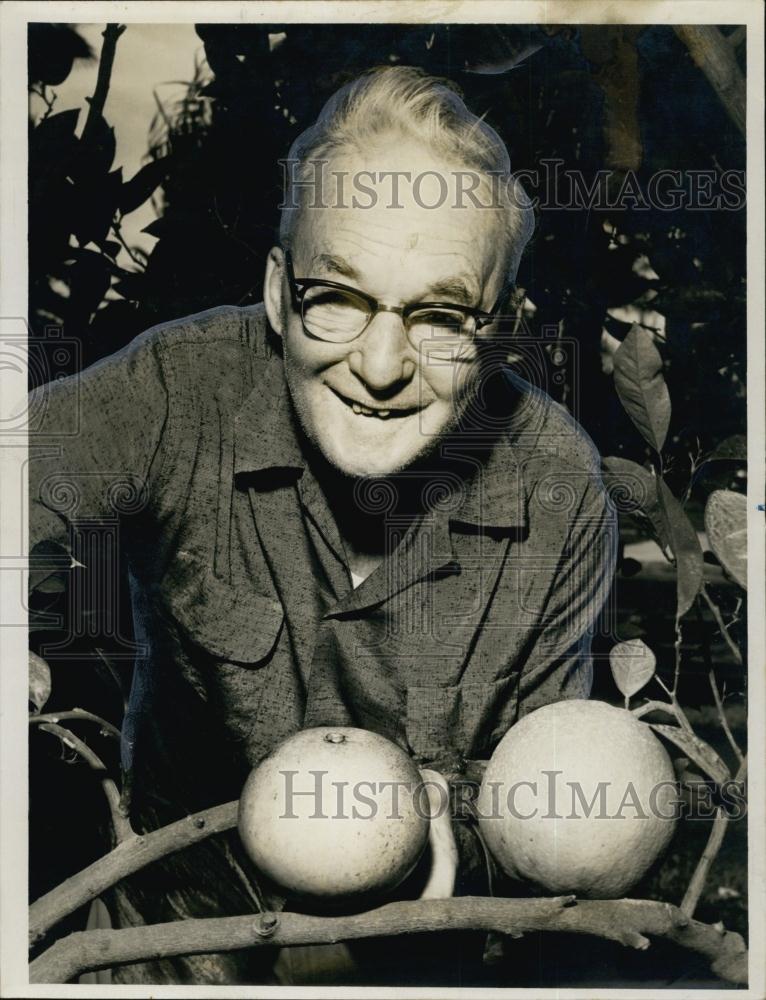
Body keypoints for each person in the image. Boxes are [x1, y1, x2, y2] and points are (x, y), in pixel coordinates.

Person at [28, 66, 616, 984]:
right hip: (166, 950)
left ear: (500, 331)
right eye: (337, 296)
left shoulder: (561, 492)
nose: (379, 367)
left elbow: (547, 810)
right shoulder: (183, 389)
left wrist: (464, 843)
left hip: (411, 966)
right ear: (276, 291)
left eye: (441, 315)